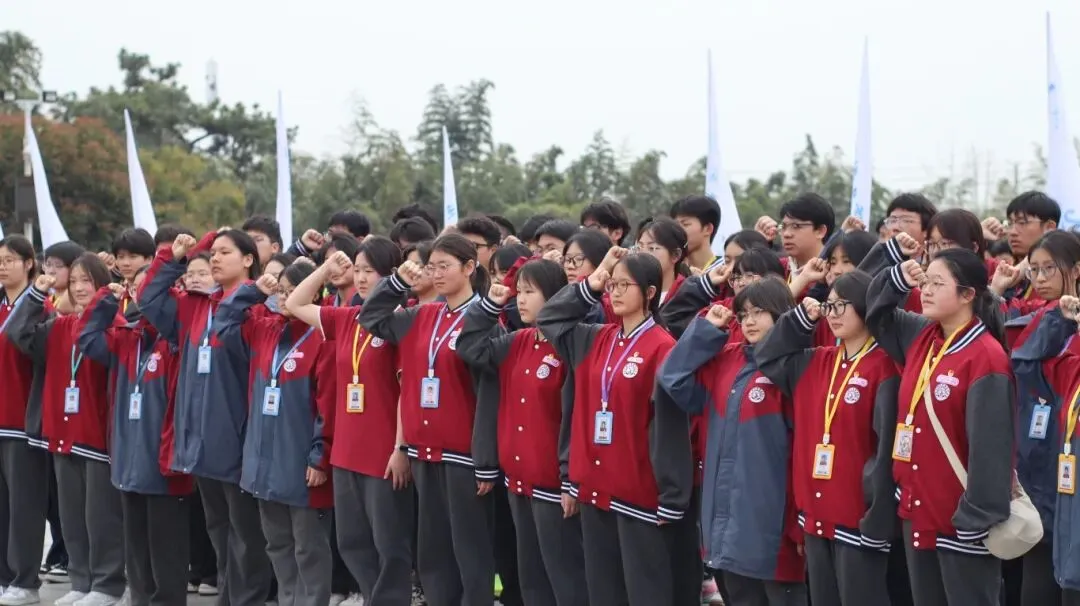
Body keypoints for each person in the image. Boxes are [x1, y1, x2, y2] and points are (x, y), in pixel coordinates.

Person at [536, 246, 692, 606]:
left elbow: (669, 428)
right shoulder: (596, 337)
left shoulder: (662, 347)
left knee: (643, 590)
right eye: (613, 285)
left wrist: (671, 495)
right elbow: (551, 318)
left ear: (650, 292)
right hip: (593, 484)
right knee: (602, 590)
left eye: (626, 284)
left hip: (639, 491)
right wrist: (595, 278)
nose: (616, 292)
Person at [865, 233, 1014, 606]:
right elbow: (875, 313)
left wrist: (975, 518)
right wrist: (898, 276)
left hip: (961, 519)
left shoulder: (986, 357)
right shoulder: (923, 336)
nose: (926, 290)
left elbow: (991, 450)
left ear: (968, 295)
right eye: (924, 281)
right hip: (918, 507)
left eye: (937, 283)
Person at [357, 233, 497, 605]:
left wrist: (485, 459)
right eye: (431, 267)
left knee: (469, 548)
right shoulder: (421, 315)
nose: (435, 274)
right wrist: (398, 283)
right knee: (433, 549)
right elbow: (370, 317)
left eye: (444, 266)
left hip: (464, 454)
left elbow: (489, 396)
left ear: (469, 268)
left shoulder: (485, 318)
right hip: (423, 449)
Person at [137, 229, 272, 606]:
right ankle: (229, 597)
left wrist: (253, 293)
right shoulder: (196, 306)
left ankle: (247, 599)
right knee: (219, 529)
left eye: (224, 252)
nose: (214, 258)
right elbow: (147, 299)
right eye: (212, 253)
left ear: (248, 260)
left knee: (246, 533)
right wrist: (172, 257)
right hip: (199, 438)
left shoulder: (259, 307)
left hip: (238, 437)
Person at [657, 277, 806, 606]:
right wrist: (705, 332)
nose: (749, 321)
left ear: (782, 314)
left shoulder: (794, 366)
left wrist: (798, 523)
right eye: (744, 313)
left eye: (760, 312)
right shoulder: (728, 358)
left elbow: (802, 453)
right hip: (725, 524)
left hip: (774, 528)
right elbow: (672, 378)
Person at [754, 271, 899, 605]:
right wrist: (801, 319)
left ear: (866, 306)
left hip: (858, 516)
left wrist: (875, 511)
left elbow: (884, 445)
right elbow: (767, 356)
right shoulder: (817, 360)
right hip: (815, 512)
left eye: (841, 305)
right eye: (828, 306)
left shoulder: (884, 367)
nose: (832, 314)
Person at [455, 259, 588, 606]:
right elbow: (469, 349)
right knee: (530, 579)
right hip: (517, 480)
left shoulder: (569, 347)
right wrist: (487, 308)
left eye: (531, 292)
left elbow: (576, 418)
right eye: (520, 292)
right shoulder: (516, 341)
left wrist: (570, 479)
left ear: (556, 298)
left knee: (565, 578)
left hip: (554, 485)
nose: (521, 300)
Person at [5, 254, 124, 606]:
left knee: (100, 516)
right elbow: (17, 333)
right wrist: (37, 295)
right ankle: (82, 580)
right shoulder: (60, 325)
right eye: (73, 282)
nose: (79, 288)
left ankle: (107, 584)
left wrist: (103, 308)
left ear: (102, 284)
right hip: (61, 433)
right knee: (72, 518)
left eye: (87, 281)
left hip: (97, 437)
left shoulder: (114, 324)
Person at [215, 263, 335, 606]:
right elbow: (224, 322)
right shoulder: (266, 330)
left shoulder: (321, 335)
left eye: (291, 291)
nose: (284, 298)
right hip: (263, 460)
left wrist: (319, 454)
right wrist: (254, 291)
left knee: (308, 546)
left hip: (300, 461)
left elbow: (328, 403)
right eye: (280, 291)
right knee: (277, 544)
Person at [77, 278, 193, 606]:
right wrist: (105, 300)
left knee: (166, 553)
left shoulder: (177, 342)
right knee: (137, 551)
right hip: (129, 461)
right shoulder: (129, 338)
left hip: (164, 466)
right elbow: (86, 337)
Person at [0, 235, 48, 606]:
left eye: (10, 259)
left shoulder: (41, 308)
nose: (3, 265)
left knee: (25, 507)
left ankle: (26, 579)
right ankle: (4, 577)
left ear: (30, 264)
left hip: (23, 424)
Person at [670, 195, 722, 271]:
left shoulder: (725, 272)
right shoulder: (671, 272)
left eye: (685, 224)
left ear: (708, 229)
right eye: (675, 225)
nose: (677, 230)